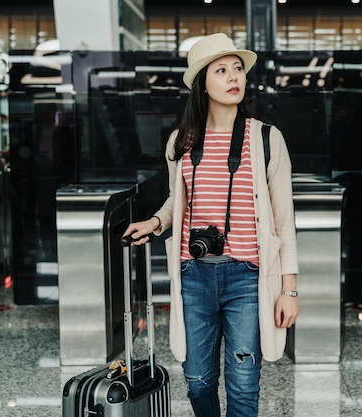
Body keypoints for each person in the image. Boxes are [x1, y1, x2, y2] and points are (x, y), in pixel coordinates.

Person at [123, 33, 300, 417]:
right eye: (222, 70)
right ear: (202, 82)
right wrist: (154, 222)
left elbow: (284, 219)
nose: (234, 77)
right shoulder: (182, 142)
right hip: (194, 275)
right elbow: (177, 200)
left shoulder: (267, 139)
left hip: (247, 279)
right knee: (199, 381)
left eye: (237, 68)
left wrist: (289, 289)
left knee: (242, 384)